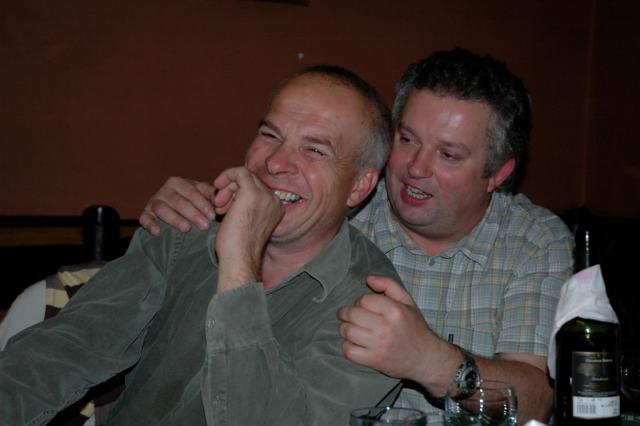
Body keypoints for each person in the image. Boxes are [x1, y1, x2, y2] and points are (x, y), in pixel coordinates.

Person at [139, 49, 575, 423]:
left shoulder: (532, 240)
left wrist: (430, 360)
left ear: (498, 173)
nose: (415, 168)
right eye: (407, 139)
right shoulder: (338, 204)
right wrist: (182, 207)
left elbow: (536, 401)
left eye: (448, 154)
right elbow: (259, 200)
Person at [0, 65, 401, 425]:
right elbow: (66, 349)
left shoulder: (373, 314)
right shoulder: (187, 229)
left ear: (360, 185)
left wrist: (240, 260)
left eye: (314, 149)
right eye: (269, 135)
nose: (275, 162)